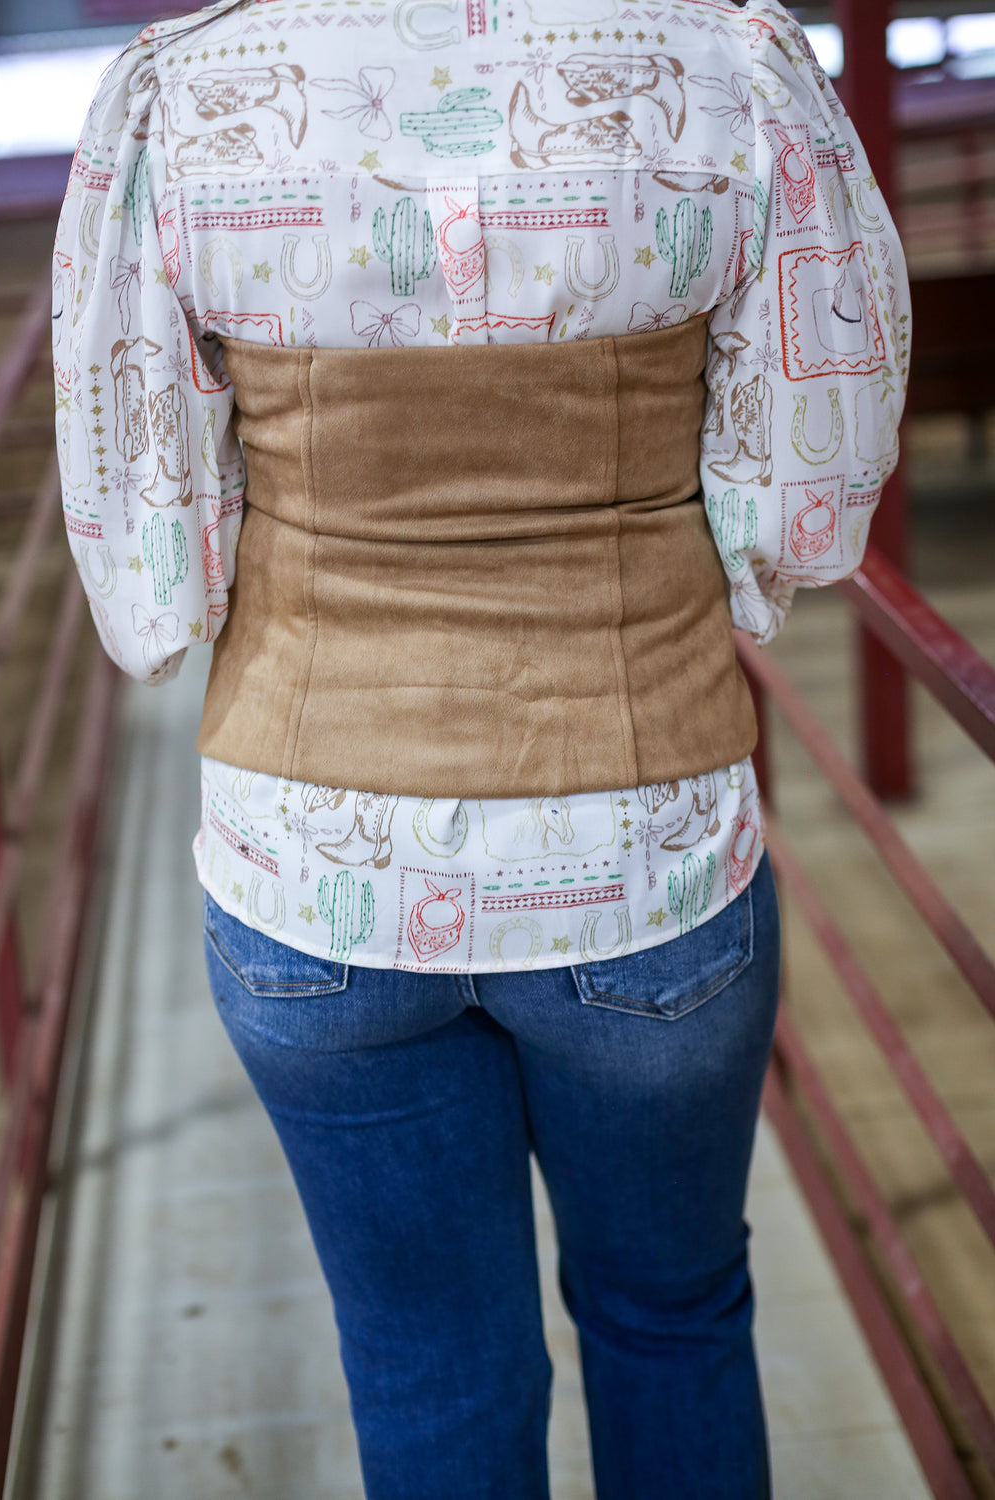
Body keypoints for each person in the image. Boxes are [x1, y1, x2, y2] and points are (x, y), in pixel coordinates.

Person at [53, 0, 909, 1494]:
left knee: (426, 1360)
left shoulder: (181, 97)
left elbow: (153, 542)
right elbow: (808, 491)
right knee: (674, 1316)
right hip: (642, 851)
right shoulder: (721, 66)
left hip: (311, 868)